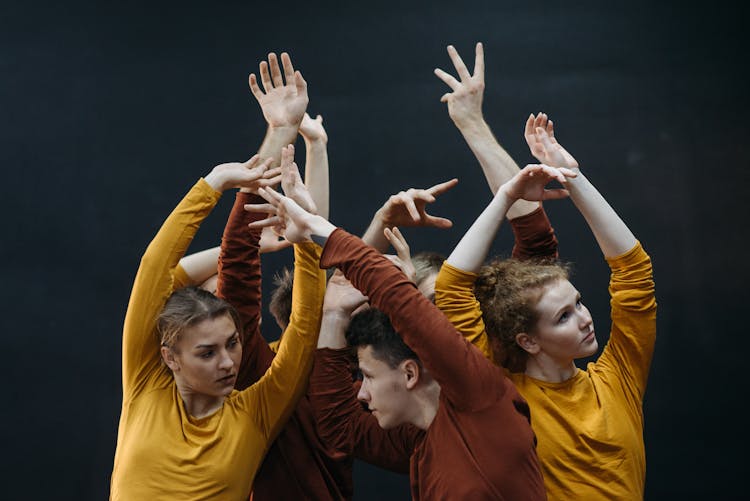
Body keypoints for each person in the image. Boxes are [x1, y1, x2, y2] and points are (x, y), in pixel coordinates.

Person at [246, 169, 548, 499]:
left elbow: (403, 304)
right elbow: (340, 424)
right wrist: (333, 314)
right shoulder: (418, 437)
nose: (360, 392)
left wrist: (317, 228)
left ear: (409, 372)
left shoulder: (479, 395)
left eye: (369, 377)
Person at [110, 54, 327, 499]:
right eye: (207, 353)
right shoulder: (145, 381)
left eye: (231, 344)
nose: (228, 362)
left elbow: (304, 330)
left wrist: (307, 238)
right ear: (170, 357)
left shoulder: (258, 410)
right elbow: (155, 268)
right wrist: (211, 184)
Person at [435, 116, 656, 499]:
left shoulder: (617, 379)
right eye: (563, 317)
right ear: (529, 341)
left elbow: (634, 269)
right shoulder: (501, 397)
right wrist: (504, 197)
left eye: (578, 303)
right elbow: (451, 288)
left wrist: (572, 176)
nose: (586, 319)